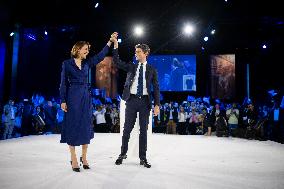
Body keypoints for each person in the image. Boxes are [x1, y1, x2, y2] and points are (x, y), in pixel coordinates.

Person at [59, 32, 117, 172]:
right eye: (85, 49)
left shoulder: (87, 63)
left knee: (85, 126)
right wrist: (63, 100)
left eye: (88, 50)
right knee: (73, 125)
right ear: (78, 49)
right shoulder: (67, 64)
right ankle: (73, 157)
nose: (87, 51)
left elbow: (101, 55)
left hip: (85, 97)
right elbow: (63, 84)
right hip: (72, 97)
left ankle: (84, 157)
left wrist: (110, 41)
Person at [112, 36, 160, 168]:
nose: (136, 53)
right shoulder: (131, 67)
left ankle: (143, 158)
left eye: (139, 52)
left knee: (143, 131)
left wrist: (157, 105)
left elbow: (156, 88)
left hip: (145, 102)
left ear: (145, 53)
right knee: (126, 129)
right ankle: (122, 154)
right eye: (136, 51)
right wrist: (116, 45)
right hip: (131, 100)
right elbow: (116, 61)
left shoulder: (152, 69)